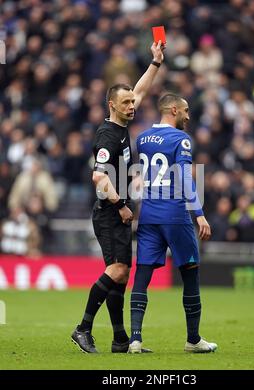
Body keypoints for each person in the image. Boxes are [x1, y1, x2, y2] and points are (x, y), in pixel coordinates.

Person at [71, 41, 165, 353]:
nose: (132, 105)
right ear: (112, 105)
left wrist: (155, 62)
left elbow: (139, 91)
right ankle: (83, 328)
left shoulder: (123, 121)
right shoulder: (107, 137)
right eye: (125, 103)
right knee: (118, 271)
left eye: (131, 102)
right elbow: (98, 178)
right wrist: (122, 204)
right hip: (110, 212)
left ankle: (120, 340)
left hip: (118, 212)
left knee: (121, 276)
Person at [128, 93, 217, 353]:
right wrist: (198, 213)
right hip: (175, 215)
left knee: (142, 275)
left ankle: (135, 340)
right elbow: (184, 177)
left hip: (148, 215)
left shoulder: (142, 138)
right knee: (190, 273)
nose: (189, 116)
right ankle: (193, 340)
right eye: (186, 111)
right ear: (174, 110)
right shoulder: (181, 139)